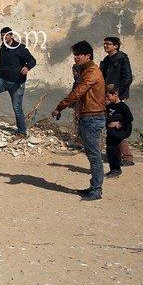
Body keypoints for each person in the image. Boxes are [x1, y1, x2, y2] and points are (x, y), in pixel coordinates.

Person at [52, 41, 106, 201]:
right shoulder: (85, 70)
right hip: (88, 116)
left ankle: (96, 190)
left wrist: (60, 107)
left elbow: (78, 92)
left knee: (94, 155)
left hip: (93, 117)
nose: (75, 57)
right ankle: (93, 187)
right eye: (74, 54)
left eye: (78, 54)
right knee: (91, 154)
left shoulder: (91, 72)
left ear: (87, 55)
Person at [0, 27, 37, 137]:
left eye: (6, 35)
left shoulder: (20, 48)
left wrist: (27, 67)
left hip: (17, 83)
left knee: (17, 108)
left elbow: (32, 60)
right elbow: (1, 65)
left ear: (11, 35)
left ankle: (22, 132)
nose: (4, 37)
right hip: (2, 80)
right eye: (2, 35)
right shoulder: (3, 47)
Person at [100, 36, 134, 166]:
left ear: (116, 46)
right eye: (104, 44)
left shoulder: (122, 59)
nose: (105, 46)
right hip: (108, 98)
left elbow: (127, 78)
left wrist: (116, 94)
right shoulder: (106, 61)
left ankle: (127, 157)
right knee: (111, 126)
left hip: (118, 98)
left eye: (108, 44)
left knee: (117, 125)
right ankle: (117, 156)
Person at [105, 84, 133, 179]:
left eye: (108, 96)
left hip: (119, 132)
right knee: (110, 151)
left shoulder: (122, 106)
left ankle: (116, 169)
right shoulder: (110, 106)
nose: (107, 98)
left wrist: (119, 124)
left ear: (115, 94)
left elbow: (129, 118)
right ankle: (114, 169)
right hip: (111, 132)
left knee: (112, 150)